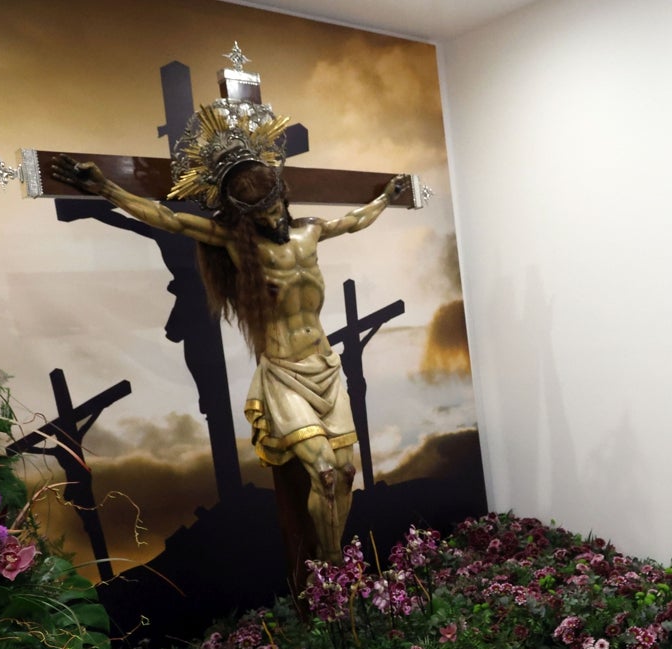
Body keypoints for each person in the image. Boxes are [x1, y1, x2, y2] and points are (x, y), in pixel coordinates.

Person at [50, 151, 407, 565]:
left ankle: (335, 565)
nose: (271, 217)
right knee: (324, 471)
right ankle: (330, 569)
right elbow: (170, 220)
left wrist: (385, 198)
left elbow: (354, 221)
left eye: (275, 206)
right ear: (244, 216)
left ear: (283, 198)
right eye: (260, 213)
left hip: (326, 367)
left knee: (345, 474)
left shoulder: (311, 231)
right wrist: (105, 188)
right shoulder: (236, 245)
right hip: (285, 373)